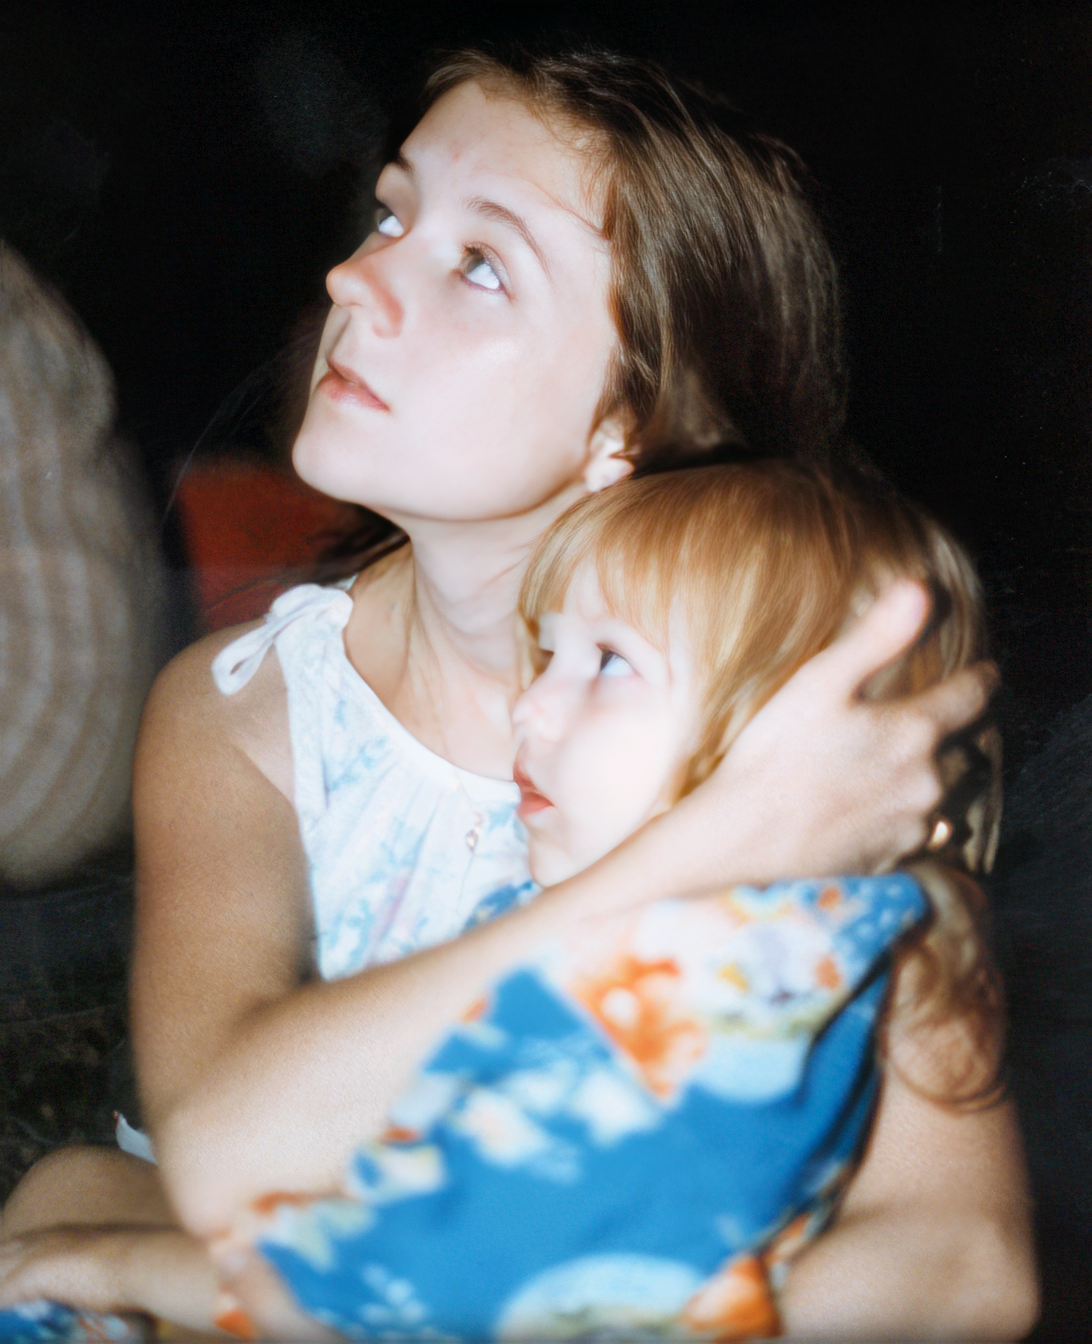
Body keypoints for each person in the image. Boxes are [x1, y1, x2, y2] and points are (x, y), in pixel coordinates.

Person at [0, 46, 1033, 1340]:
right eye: (393, 214)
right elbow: (223, 1165)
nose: (353, 275)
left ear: (627, 418)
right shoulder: (245, 713)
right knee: (66, 1203)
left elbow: (968, 1267)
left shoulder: (792, 724)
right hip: (299, 1267)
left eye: (482, 263)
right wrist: (709, 853)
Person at [216, 460, 1014, 1341]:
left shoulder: (838, 960)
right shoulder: (536, 907)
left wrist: (136, 1268)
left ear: (804, 734)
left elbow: (444, 1288)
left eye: (608, 663)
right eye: (547, 655)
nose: (530, 706)